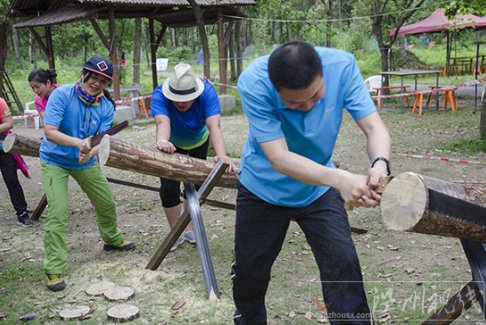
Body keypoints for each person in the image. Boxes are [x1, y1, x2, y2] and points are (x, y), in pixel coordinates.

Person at [233, 40, 391, 324]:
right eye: (293, 103)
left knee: (343, 266)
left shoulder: (342, 66)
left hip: (317, 190)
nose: (306, 107)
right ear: (274, 88)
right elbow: (279, 158)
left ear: (322, 75)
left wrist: (380, 163)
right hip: (262, 190)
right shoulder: (253, 82)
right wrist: (340, 179)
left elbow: (373, 126)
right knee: (250, 274)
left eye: (316, 96)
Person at [40, 55, 135, 292]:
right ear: (84, 75)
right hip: (55, 161)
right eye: (94, 77)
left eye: (103, 81)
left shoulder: (105, 106)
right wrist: (77, 144)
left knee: (106, 203)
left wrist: (90, 153)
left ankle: (112, 240)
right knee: (58, 213)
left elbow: (99, 140)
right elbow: (50, 132)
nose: (97, 83)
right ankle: (54, 269)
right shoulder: (61, 95)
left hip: (84, 163)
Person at [150, 62, 233, 251]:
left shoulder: (207, 92)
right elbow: (162, 121)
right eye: (176, 98)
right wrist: (163, 141)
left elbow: (215, 126)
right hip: (171, 144)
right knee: (169, 187)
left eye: (185, 99)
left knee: (195, 186)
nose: (180, 103)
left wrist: (221, 155)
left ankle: (189, 227)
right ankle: (175, 232)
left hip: (199, 141)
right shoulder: (159, 94)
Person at [0, 98, 33, 227]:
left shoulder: (1, 102)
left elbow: (9, 123)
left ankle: (22, 213)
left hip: (3, 147)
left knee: (12, 180)